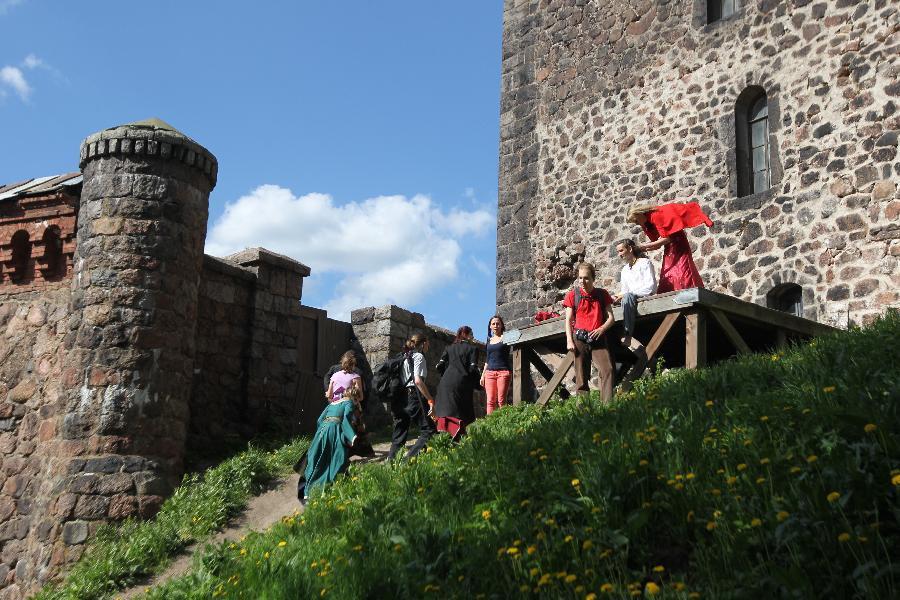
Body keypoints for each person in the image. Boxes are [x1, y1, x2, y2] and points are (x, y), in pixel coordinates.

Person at [627, 201, 713, 293]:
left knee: (683, 269)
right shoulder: (647, 222)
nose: (637, 224)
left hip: (678, 243)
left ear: (639, 214)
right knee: (669, 272)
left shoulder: (655, 216)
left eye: (636, 221)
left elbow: (666, 239)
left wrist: (644, 246)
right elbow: (657, 244)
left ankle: (690, 291)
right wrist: (645, 248)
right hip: (670, 247)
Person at [563, 262, 616, 403]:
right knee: (581, 377)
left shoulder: (602, 294)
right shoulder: (572, 295)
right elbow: (568, 320)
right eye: (580, 278)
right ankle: (583, 412)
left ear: (593, 278)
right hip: (579, 338)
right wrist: (569, 340)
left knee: (607, 369)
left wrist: (601, 329)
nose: (582, 281)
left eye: (586, 278)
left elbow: (611, 318)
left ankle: (608, 407)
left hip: (598, 337)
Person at [301, 385, 360, 501]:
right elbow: (346, 420)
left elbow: (319, 420)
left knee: (315, 458)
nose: (357, 402)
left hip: (321, 431)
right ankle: (329, 487)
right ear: (354, 397)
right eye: (357, 399)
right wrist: (352, 436)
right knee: (337, 458)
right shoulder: (349, 403)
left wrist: (321, 432)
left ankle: (308, 491)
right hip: (334, 430)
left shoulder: (332, 403)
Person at [387, 333, 436, 461]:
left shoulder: (403, 356)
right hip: (414, 395)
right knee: (429, 430)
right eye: (428, 343)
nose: (429, 346)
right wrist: (430, 399)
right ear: (423, 343)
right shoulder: (419, 356)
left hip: (400, 397)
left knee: (400, 432)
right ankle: (407, 460)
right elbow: (418, 381)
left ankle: (390, 463)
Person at [434, 326, 481, 440]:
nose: (473, 337)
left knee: (446, 411)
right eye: (471, 334)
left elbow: (439, 366)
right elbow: (473, 369)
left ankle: (445, 438)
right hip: (462, 383)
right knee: (461, 412)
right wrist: (478, 384)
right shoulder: (472, 349)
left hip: (445, 382)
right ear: (466, 334)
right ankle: (458, 439)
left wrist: (446, 375)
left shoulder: (449, 348)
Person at [612, 239, 657, 350]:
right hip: (629, 301)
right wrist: (616, 297)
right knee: (609, 299)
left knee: (627, 296)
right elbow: (624, 290)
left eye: (621, 250)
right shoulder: (624, 270)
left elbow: (650, 287)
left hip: (645, 298)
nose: (619, 254)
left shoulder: (645, 263)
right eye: (618, 252)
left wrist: (628, 294)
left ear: (630, 249)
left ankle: (627, 333)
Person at [480, 315, 511, 414]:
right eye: (493, 324)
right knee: (490, 401)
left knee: (501, 400)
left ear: (501, 325)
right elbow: (487, 359)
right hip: (489, 373)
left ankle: (505, 423)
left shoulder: (506, 338)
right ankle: (491, 425)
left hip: (503, 372)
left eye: (498, 323)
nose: (495, 325)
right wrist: (482, 375)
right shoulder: (489, 340)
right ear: (490, 326)